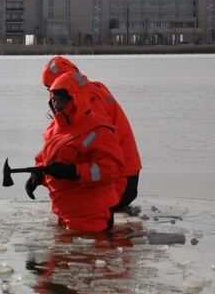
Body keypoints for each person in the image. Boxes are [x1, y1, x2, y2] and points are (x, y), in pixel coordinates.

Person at [26, 71, 125, 232]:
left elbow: (111, 169)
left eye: (61, 101)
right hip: (64, 209)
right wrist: (38, 174)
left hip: (92, 213)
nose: (57, 106)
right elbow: (46, 157)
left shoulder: (98, 129)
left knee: (85, 255)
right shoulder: (56, 128)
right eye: (53, 100)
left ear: (76, 99)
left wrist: (75, 172)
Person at [41, 56, 141, 212]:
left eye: (55, 92)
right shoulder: (80, 100)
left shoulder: (88, 101)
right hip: (122, 173)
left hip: (121, 178)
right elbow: (57, 142)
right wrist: (41, 171)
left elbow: (94, 147)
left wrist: (72, 171)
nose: (53, 98)